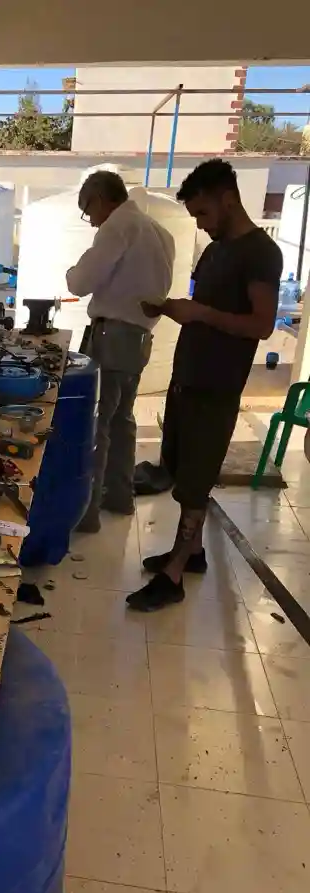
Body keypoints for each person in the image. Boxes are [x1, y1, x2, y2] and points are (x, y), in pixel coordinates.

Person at [127, 158, 283, 612]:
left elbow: (262, 324)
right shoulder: (215, 250)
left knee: (196, 482)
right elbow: (208, 309)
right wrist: (174, 308)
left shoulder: (260, 253)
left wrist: (199, 314)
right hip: (189, 377)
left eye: (202, 214)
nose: (200, 223)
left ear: (227, 199)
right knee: (180, 469)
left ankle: (174, 575)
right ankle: (192, 554)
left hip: (217, 385)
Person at [66, 170, 175, 533]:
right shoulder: (161, 233)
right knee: (123, 419)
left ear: (100, 199)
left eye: (88, 210)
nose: (91, 220)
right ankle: (119, 497)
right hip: (140, 338)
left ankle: (88, 513)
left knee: (98, 423)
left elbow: (81, 282)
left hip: (112, 336)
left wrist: (71, 272)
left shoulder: (118, 226)